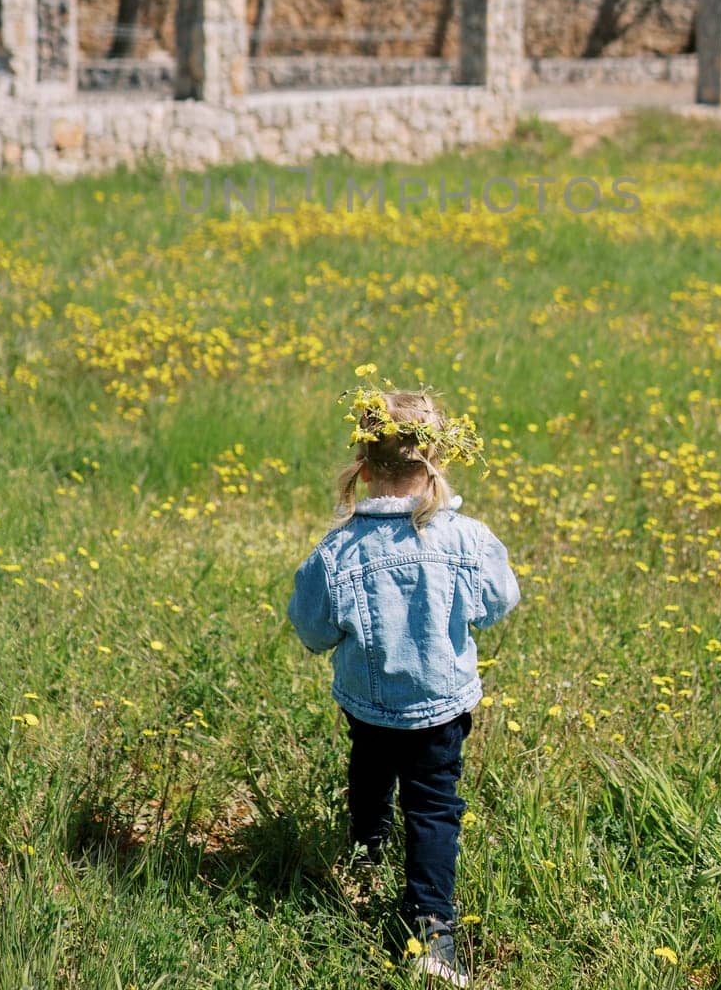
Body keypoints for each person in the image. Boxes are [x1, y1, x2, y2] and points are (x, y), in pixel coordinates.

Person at [287, 382, 520, 987]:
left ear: (362, 469)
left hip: (369, 703)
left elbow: (311, 629)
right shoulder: (466, 538)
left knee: (369, 769)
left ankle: (366, 851)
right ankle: (434, 931)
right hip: (442, 706)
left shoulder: (338, 550)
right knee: (435, 807)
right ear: (436, 463)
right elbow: (499, 602)